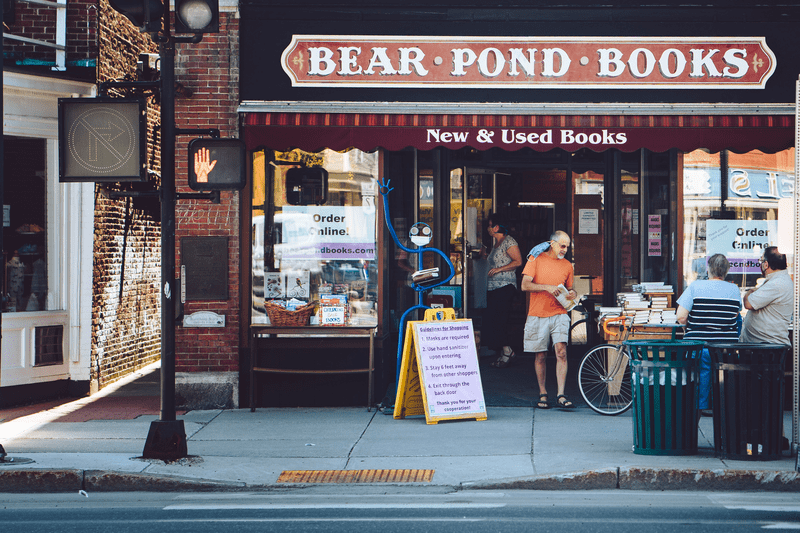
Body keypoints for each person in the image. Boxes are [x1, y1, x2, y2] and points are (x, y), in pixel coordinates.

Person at [675, 253, 742, 414]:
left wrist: (687, 328)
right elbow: (735, 315)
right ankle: (724, 431)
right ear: (726, 271)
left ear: (709, 269)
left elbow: (681, 316)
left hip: (698, 348)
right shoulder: (734, 290)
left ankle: (692, 428)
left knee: (695, 390)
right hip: (725, 351)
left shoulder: (695, 287)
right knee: (723, 391)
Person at [520, 230, 577, 409]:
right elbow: (524, 285)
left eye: (567, 247)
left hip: (560, 313)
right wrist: (547, 288)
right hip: (538, 313)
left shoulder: (568, 265)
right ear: (552, 244)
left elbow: (570, 290)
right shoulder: (535, 259)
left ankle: (561, 394)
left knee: (561, 352)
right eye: (562, 246)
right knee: (541, 355)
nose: (565, 250)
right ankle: (543, 393)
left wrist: (573, 294)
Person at [483, 214, 523, 367]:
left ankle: (507, 351)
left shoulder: (509, 241)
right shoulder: (496, 243)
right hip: (493, 287)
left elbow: (518, 261)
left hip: (505, 287)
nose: (488, 228)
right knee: (493, 319)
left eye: (490, 224)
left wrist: (499, 269)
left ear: (496, 227)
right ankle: (504, 351)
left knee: (499, 320)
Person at [740, 246, 793, 345]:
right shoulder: (778, 280)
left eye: (761, 260)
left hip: (766, 349)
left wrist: (750, 291)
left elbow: (748, 303)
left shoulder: (777, 283)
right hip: (763, 347)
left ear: (766, 265)